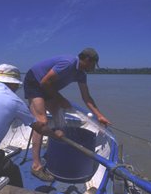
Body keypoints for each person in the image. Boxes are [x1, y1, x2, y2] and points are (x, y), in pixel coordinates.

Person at [23, 48, 111, 182]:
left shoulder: (81, 74)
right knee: (41, 122)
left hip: (49, 87)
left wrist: (99, 115)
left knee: (59, 113)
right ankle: (36, 166)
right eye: (93, 65)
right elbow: (44, 82)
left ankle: (58, 141)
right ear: (87, 60)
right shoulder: (68, 63)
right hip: (35, 82)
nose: (93, 68)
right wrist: (60, 99)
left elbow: (86, 97)